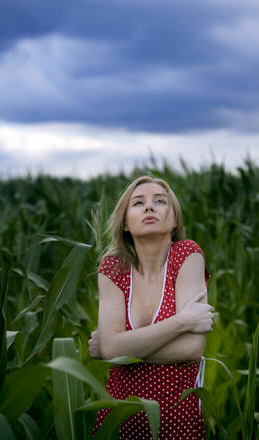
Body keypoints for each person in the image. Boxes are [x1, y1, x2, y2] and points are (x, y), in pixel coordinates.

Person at [88, 175, 214, 439]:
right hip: (119, 416)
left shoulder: (187, 255)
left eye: (159, 201)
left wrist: (121, 347)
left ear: (175, 219)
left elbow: (191, 348)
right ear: (124, 222)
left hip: (176, 419)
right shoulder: (112, 268)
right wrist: (182, 322)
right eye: (138, 203)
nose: (149, 207)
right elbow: (112, 349)